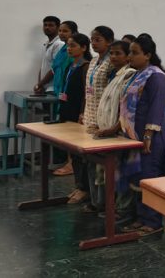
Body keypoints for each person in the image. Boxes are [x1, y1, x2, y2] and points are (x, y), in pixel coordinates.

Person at [119, 36, 165, 236]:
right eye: (130, 52)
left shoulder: (157, 76)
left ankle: (153, 222)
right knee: (136, 176)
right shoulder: (136, 74)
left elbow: (156, 107)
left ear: (148, 55)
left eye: (134, 52)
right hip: (133, 135)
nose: (130, 56)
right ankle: (140, 216)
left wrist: (148, 136)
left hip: (152, 135)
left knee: (149, 177)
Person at [93, 40, 137, 222]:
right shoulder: (115, 74)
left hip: (118, 133)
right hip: (107, 131)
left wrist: (113, 128)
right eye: (111, 53)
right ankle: (110, 206)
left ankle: (122, 210)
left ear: (128, 56)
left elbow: (126, 109)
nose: (113, 57)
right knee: (106, 172)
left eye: (118, 53)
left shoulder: (129, 75)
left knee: (119, 173)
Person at [80, 26, 116, 213]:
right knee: (90, 162)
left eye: (98, 40)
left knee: (102, 165)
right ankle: (95, 200)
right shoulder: (94, 61)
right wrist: (84, 114)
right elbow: (88, 90)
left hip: (104, 118)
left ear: (109, 42)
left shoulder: (111, 63)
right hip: (90, 116)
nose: (93, 43)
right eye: (92, 40)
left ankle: (103, 203)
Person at [57, 33, 92, 204]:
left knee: (80, 155)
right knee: (73, 153)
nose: (69, 49)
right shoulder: (71, 65)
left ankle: (84, 188)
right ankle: (78, 186)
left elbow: (86, 93)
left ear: (84, 48)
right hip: (67, 110)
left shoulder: (86, 66)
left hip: (78, 113)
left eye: (73, 46)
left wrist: (82, 113)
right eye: (68, 46)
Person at [51, 20, 78, 176]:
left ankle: (72, 163)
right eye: (60, 31)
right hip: (60, 91)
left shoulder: (77, 58)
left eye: (65, 31)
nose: (61, 33)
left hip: (71, 96)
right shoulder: (63, 49)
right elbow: (56, 69)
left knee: (71, 131)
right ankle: (68, 161)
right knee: (63, 129)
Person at [34, 16, 65, 95]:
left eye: (51, 25)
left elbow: (55, 68)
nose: (47, 27)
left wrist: (40, 84)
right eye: (45, 25)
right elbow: (43, 67)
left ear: (58, 27)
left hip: (53, 88)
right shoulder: (46, 44)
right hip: (45, 87)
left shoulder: (59, 44)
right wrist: (40, 85)